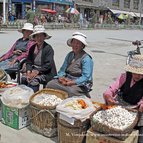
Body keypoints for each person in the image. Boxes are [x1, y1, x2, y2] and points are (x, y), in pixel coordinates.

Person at [103, 55, 143, 143]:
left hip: (135, 106)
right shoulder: (125, 76)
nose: (137, 76)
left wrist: (141, 105)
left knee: (140, 126)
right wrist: (108, 95)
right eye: (135, 73)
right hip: (122, 102)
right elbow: (112, 88)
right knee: (109, 118)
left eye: (140, 74)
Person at [46, 32, 93, 97]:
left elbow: (86, 77)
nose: (75, 45)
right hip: (67, 79)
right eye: (73, 43)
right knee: (50, 84)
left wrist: (72, 82)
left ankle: (83, 94)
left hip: (80, 83)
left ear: (82, 45)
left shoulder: (86, 58)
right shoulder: (70, 55)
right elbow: (62, 69)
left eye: (78, 43)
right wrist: (61, 77)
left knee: (71, 91)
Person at [21, 25, 57, 92]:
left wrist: (36, 72)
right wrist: (28, 71)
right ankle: (24, 96)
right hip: (34, 70)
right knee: (23, 78)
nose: (39, 38)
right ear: (34, 37)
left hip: (46, 72)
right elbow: (29, 61)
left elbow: (48, 65)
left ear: (44, 37)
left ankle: (33, 97)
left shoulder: (48, 48)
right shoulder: (32, 48)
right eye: (37, 36)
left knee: (34, 80)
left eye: (41, 36)